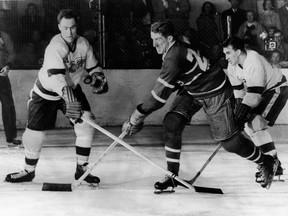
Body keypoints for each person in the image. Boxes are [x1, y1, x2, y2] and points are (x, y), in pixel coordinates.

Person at [122, 20, 277, 192]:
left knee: (230, 143)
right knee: (171, 122)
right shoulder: (178, 44)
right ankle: (173, 176)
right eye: (152, 39)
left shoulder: (173, 56)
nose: (153, 44)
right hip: (193, 88)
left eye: (157, 39)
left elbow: (157, 99)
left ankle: (266, 161)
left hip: (215, 91)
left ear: (170, 38)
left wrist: (135, 117)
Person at [5, 9, 108, 184]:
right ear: (59, 27)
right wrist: (70, 100)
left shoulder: (83, 44)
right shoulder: (54, 47)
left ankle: (81, 171)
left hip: (70, 88)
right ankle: (28, 171)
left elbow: (93, 67)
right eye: (65, 28)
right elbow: (58, 79)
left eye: (73, 28)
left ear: (77, 27)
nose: (69, 32)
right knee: (34, 136)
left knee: (86, 125)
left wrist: (99, 77)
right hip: (46, 93)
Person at [222, 36, 288, 182]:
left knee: (255, 122)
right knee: (249, 125)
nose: (226, 57)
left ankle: (272, 164)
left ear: (238, 52)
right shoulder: (232, 67)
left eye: (228, 53)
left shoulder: (253, 59)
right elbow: (239, 93)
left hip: (277, 89)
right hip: (261, 93)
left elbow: (254, 94)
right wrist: (239, 114)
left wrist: (240, 116)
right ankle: (272, 164)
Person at [0, 29, 22, 147]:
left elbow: (12, 53)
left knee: (8, 106)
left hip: (1, 76)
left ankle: (11, 137)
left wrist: (8, 66)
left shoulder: (4, 36)